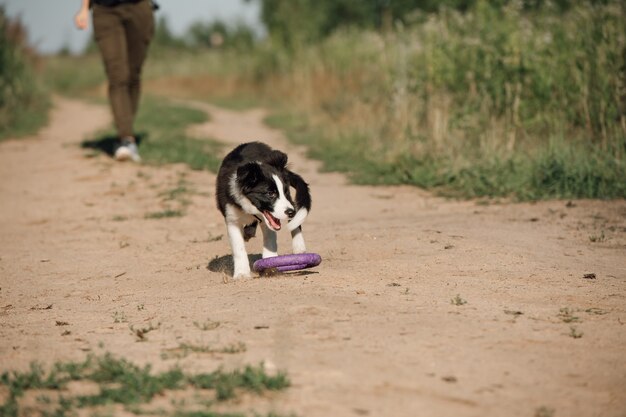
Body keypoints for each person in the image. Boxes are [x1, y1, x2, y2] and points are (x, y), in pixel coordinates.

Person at [74, 0, 155, 162]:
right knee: (118, 76)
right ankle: (125, 138)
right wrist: (83, 9)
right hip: (105, 10)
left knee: (133, 75)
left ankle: (125, 127)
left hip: (138, 7)